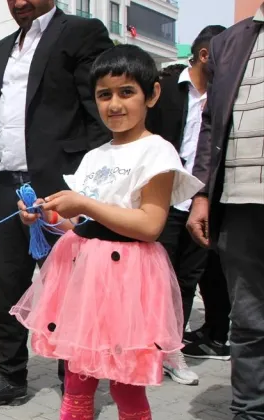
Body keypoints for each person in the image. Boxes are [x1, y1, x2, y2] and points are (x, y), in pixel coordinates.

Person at [11, 44, 203, 419]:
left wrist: (85, 204)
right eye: (104, 95)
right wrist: (47, 217)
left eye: (126, 92)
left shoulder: (157, 153)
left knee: (126, 386)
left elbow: (150, 225)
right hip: (85, 279)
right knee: (77, 383)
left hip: (129, 283)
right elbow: (80, 224)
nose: (115, 104)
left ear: (152, 94)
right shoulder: (94, 157)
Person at [0, 0, 113, 407]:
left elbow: (98, 113)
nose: (19, 2)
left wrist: (91, 187)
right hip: (9, 187)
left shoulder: (81, 33)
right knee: (7, 286)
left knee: (69, 289)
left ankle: (74, 381)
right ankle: (10, 377)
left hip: (61, 186)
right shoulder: (2, 48)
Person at [188, 3, 264, 416]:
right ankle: (249, 411)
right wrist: (201, 194)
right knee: (250, 321)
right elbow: (211, 124)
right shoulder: (229, 43)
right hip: (239, 200)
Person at [146, 24, 230, 386]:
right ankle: (144, 349)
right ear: (206, 54)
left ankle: (171, 353)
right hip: (161, 200)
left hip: (201, 202)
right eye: (226, 55)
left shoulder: (225, 96)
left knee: (185, 282)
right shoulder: (163, 87)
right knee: (153, 279)